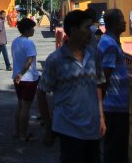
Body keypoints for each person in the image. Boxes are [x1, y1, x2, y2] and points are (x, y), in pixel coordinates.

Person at [38, 9, 106, 163]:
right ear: (74, 31)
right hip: (68, 128)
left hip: (92, 127)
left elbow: (98, 85)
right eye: (87, 27)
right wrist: (48, 127)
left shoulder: (93, 55)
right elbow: (41, 92)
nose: (91, 32)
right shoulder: (55, 60)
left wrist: (101, 116)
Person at [98, 9, 129, 163]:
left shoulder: (109, 41)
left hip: (116, 105)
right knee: (115, 150)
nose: (125, 22)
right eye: (121, 19)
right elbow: (104, 78)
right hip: (113, 105)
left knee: (114, 148)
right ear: (113, 24)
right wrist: (100, 110)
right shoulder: (110, 45)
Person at [12, 17, 39, 142]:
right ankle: (23, 134)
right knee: (26, 107)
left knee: (19, 105)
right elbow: (29, 62)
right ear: (27, 30)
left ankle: (17, 132)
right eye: (32, 28)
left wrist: (18, 75)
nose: (34, 30)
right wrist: (21, 74)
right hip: (28, 78)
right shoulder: (29, 43)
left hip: (17, 78)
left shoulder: (15, 41)